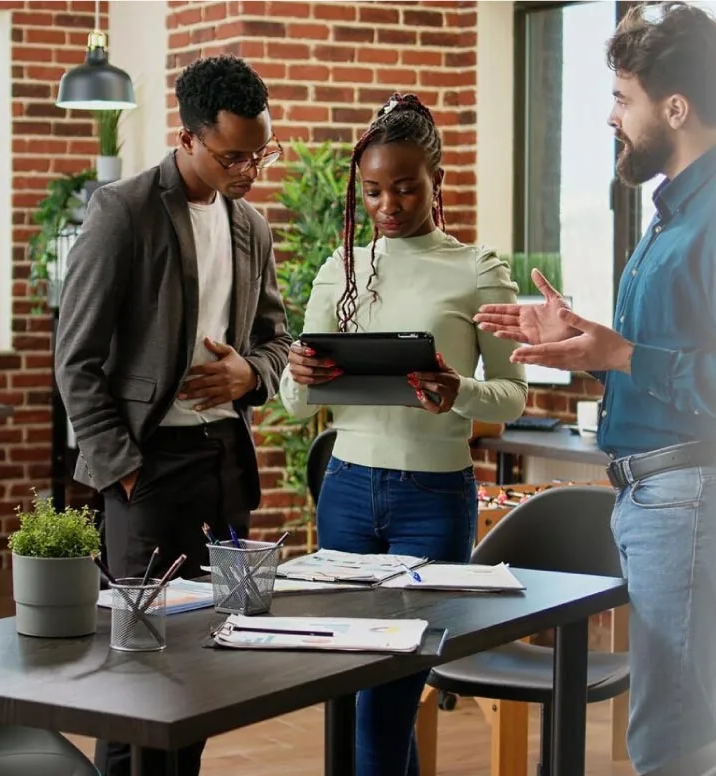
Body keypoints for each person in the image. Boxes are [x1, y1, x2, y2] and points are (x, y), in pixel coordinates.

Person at [474, 4, 716, 771]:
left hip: (699, 496)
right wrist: (589, 348)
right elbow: (669, 360)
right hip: (668, 498)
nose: (612, 116)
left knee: (674, 741)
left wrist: (624, 353)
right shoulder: (674, 218)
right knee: (712, 732)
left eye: (624, 98)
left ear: (676, 107)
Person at [53, 53, 291, 776]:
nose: (248, 170)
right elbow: (77, 360)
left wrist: (251, 372)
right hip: (146, 472)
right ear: (186, 138)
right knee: (138, 673)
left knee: (205, 668)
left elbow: (277, 340)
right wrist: (123, 471)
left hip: (224, 466)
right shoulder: (122, 211)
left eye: (259, 153)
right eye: (232, 156)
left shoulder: (251, 226)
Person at [282, 93, 527, 775]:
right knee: (364, 691)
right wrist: (300, 371)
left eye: (405, 186)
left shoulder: (478, 271)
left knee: (387, 697)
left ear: (436, 179)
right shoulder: (342, 268)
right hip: (346, 493)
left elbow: (510, 398)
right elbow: (297, 406)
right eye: (374, 190)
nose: (389, 204)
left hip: (433, 500)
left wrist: (458, 392)